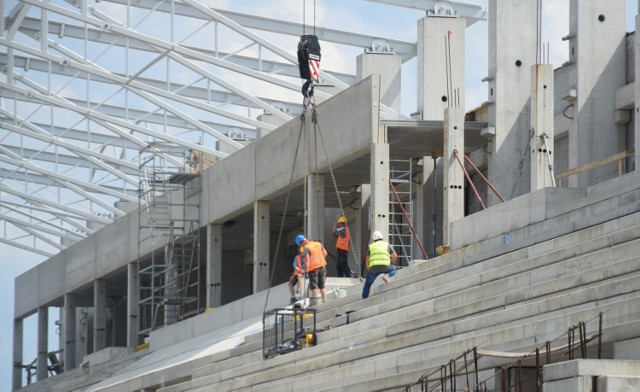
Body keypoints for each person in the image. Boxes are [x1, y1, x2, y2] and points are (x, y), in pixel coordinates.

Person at [362, 230, 397, 299]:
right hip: (385, 266)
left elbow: (367, 259)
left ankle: (364, 297)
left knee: (368, 284)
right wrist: (391, 263)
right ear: (382, 237)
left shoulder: (371, 246)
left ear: (373, 239)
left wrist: (368, 268)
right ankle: (387, 276)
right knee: (393, 269)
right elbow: (395, 255)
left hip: (373, 268)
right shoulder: (387, 244)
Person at [295, 234, 328, 307]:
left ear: (302, 242)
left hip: (313, 269)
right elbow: (325, 253)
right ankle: (324, 301)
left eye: (300, 244)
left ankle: (314, 304)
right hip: (322, 267)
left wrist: (306, 272)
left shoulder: (306, 248)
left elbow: (307, 261)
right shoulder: (318, 244)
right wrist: (320, 260)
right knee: (322, 286)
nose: (301, 246)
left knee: (314, 287)